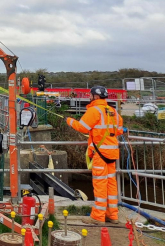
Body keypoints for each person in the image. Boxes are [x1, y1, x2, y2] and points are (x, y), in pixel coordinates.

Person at [66, 86, 124, 225]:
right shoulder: (113, 111)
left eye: (90, 95)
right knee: (111, 184)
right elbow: (120, 130)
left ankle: (98, 217)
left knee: (100, 184)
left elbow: (82, 127)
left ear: (96, 97)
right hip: (112, 153)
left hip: (100, 154)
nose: (89, 96)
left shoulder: (94, 110)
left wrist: (69, 121)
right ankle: (113, 215)